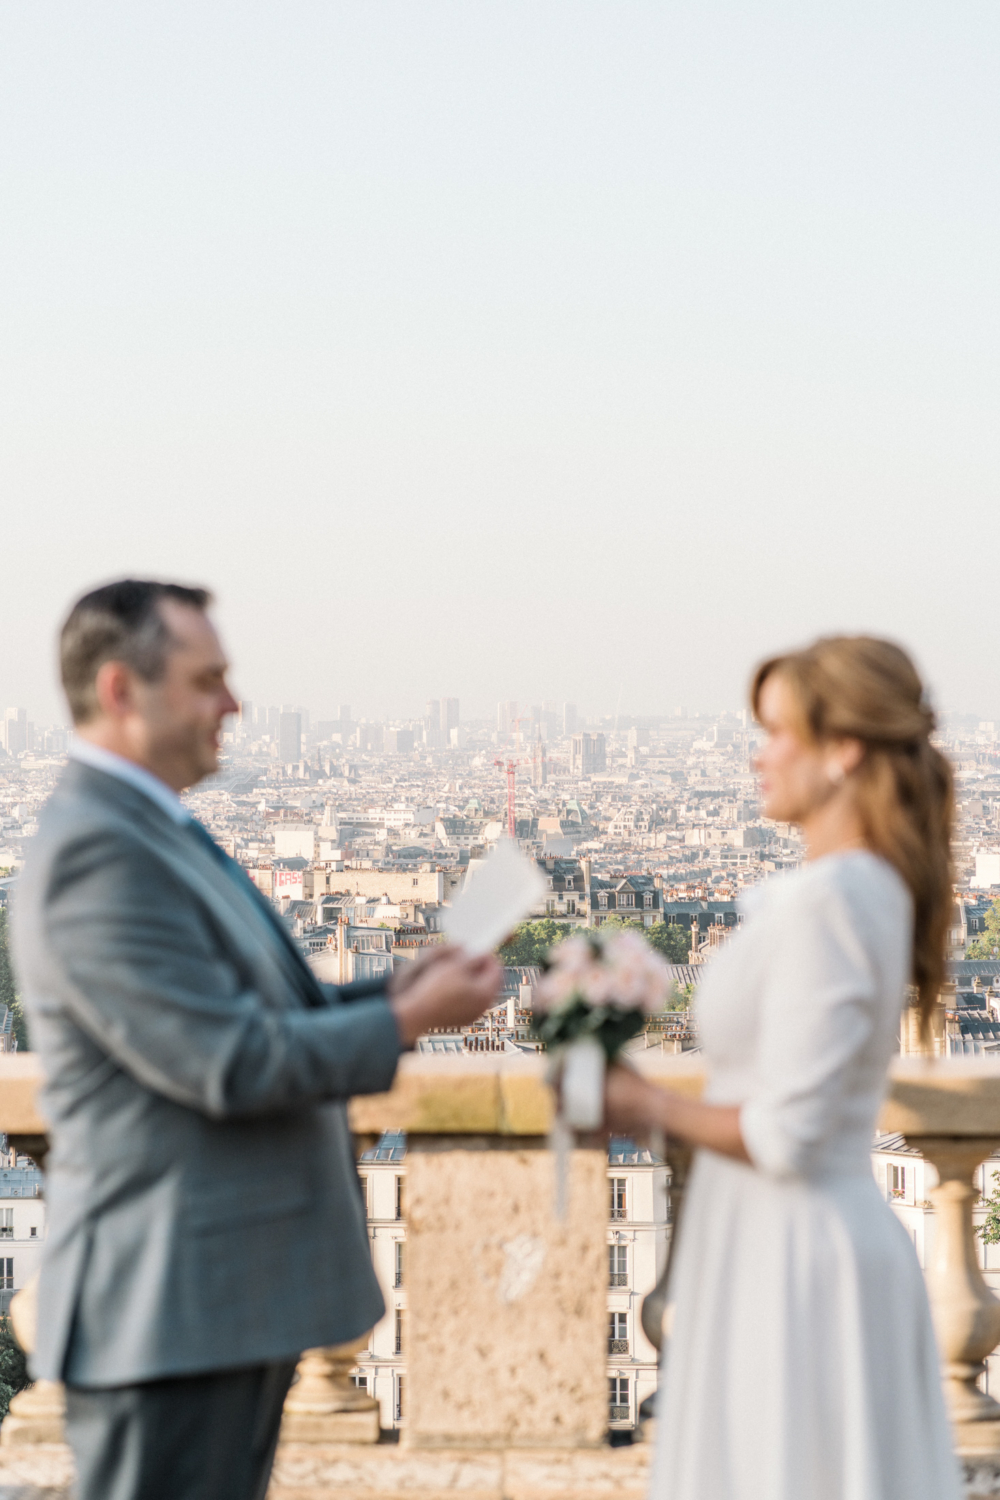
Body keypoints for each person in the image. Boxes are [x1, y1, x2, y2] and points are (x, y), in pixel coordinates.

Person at [11, 579, 501, 1500]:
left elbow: (266, 1010)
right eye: (208, 680)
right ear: (122, 691)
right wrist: (407, 1020)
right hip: (168, 1303)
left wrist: (403, 986)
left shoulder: (152, 831)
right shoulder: (99, 854)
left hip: (211, 1296)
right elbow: (229, 1063)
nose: (233, 705)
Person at [604, 636, 962, 1500]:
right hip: (782, 1243)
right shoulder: (856, 890)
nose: (759, 756)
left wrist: (636, 1101)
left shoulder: (836, 902)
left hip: (796, 1258)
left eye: (776, 734)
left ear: (842, 751)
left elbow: (788, 1132)